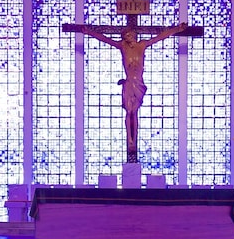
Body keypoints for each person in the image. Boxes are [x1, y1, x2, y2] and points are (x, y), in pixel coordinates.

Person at [80, 21, 188, 162]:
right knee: (129, 112)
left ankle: (133, 139)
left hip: (139, 83)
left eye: (130, 35)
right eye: (126, 35)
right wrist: (89, 32)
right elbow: (106, 39)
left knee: (134, 112)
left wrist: (177, 29)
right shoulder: (123, 47)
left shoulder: (142, 45)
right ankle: (130, 140)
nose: (128, 37)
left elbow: (160, 37)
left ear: (135, 36)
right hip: (129, 82)